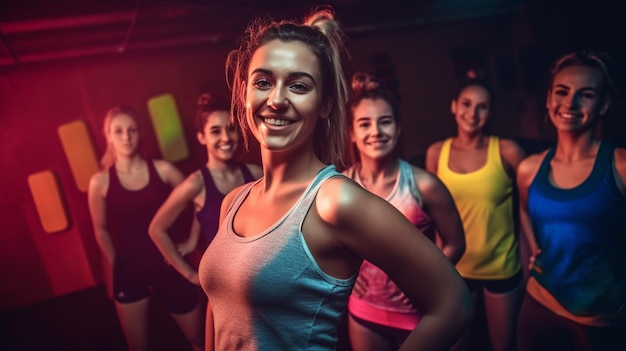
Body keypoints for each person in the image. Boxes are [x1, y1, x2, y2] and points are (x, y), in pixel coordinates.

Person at [197, 5, 473, 351]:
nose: (277, 99)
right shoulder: (233, 201)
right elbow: (218, 312)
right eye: (263, 82)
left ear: (326, 103)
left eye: (298, 86)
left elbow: (454, 305)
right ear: (244, 93)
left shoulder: (335, 201)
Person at [343, 72, 466, 351]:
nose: (376, 131)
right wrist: (347, 281)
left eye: (385, 121)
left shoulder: (424, 185)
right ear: (352, 133)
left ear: (398, 129)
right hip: (364, 315)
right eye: (365, 124)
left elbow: (456, 243)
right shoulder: (341, 187)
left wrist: (426, 282)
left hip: (424, 317)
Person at [515, 50, 626, 351]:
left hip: (599, 315)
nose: (570, 103)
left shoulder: (619, 166)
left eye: (585, 94)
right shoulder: (529, 169)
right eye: (561, 92)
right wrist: (532, 253)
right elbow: (525, 212)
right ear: (549, 99)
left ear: (603, 105)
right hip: (540, 302)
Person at [87, 106, 204, 351]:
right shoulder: (100, 182)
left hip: (169, 264)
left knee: (200, 341)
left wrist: (192, 241)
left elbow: (201, 200)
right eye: (118, 131)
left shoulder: (162, 170)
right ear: (108, 135)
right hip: (130, 270)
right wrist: (115, 263)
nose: (126, 136)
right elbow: (100, 228)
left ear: (140, 133)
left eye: (131, 130)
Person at [425, 78, 526, 351]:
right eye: (467, 104)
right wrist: (436, 269)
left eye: (482, 107)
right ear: (454, 107)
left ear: (490, 113)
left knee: (503, 347)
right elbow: (436, 218)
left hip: (502, 266)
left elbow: (532, 203)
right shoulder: (436, 153)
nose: (473, 113)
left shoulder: (507, 151)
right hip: (455, 269)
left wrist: (534, 254)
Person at [149, 92, 262, 285]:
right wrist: (191, 276)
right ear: (202, 137)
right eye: (215, 131)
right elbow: (156, 229)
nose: (225, 138)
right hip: (225, 285)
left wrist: (193, 239)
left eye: (231, 129)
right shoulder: (196, 183)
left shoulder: (256, 173)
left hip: (261, 274)